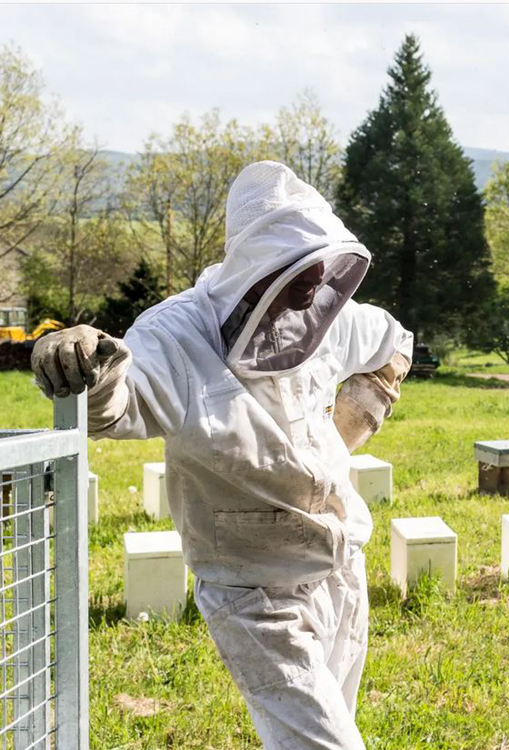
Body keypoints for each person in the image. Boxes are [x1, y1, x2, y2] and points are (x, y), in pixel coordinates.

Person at [31, 161, 413, 750]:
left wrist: (350, 425)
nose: (316, 280)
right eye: (299, 265)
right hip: (253, 591)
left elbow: (393, 344)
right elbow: (119, 407)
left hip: (341, 568)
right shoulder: (175, 336)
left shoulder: (324, 319)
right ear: (257, 265)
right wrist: (87, 366)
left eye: (321, 262)